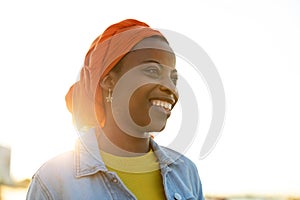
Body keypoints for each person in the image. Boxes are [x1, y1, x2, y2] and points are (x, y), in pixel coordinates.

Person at [26, 19, 204, 200]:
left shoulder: (186, 172)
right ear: (109, 81)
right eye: (152, 70)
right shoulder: (53, 181)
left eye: (174, 78)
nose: (170, 87)